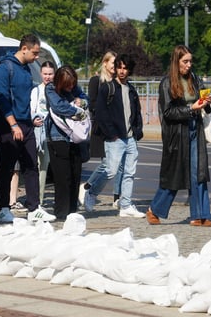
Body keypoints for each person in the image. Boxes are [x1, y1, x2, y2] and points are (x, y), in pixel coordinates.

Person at [147, 45, 211, 227]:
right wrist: (190, 108)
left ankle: (201, 215)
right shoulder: (167, 83)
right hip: (177, 134)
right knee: (174, 175)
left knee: (198, 173)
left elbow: (203, 104)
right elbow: (168, 112)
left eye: (190, 61)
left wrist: (206, 102)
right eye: (185, 61)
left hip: (195, 129)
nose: (189, 65)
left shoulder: (195, 78)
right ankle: (154, 209)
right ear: (176, 62)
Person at [0, 34, 55, 223]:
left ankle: (34, 208)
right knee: (7, 167)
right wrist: (13, 124)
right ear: (24, 49)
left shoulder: (26, 68)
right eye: (34, 53)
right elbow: (1, 97)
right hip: (8, 124)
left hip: (26, 123)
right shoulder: (5, 67)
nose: (36, 57)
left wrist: (30, 118)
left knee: (31, 165)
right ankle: (3, 208)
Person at [83, 54, 145, 218]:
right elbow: (101, 113)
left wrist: (137, 131)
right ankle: (91, 193)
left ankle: (125, 205)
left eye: (125, 68)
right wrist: (112, 134)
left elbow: (137, 112)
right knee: (110, 170)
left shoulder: (131, 89)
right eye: (119, 67)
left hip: (130, 138)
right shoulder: (107, 88)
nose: (122, 71)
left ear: (129, 70)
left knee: (129, 173)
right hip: (115, 138)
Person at [45, 65, 88, 220]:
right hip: (58, 137)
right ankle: (61, 212)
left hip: (75, 137)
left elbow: (86, 99)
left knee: (75, 174)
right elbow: (59, 107)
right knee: (62, 177)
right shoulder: (51, 88)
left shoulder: (74, 88)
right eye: (67, 85)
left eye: (73, 84)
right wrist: (77, 111)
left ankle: (72, 211)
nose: (71, 87)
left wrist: (82, 103)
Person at [82, 51, 122, 208]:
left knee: (119, 165)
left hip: (118, 128)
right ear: (105, 63)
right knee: (107, 164)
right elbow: (92, 104)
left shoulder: (119, 82)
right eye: (113, 63)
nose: (115, 67)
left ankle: (117, 198)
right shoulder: (96, 81)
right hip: (102, 128)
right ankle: (88, 188)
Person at [30, 61, 56, 207]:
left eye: (50, 74)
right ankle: (36, 199)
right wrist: (34, 119)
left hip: (53, 131)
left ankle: (40, 197)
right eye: (45, 74)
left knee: (46, 165)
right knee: (38, 165)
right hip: (39, 131)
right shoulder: (36, 90)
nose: (47, 77)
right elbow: (32, 109)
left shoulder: (57, 90)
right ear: (41, 74)